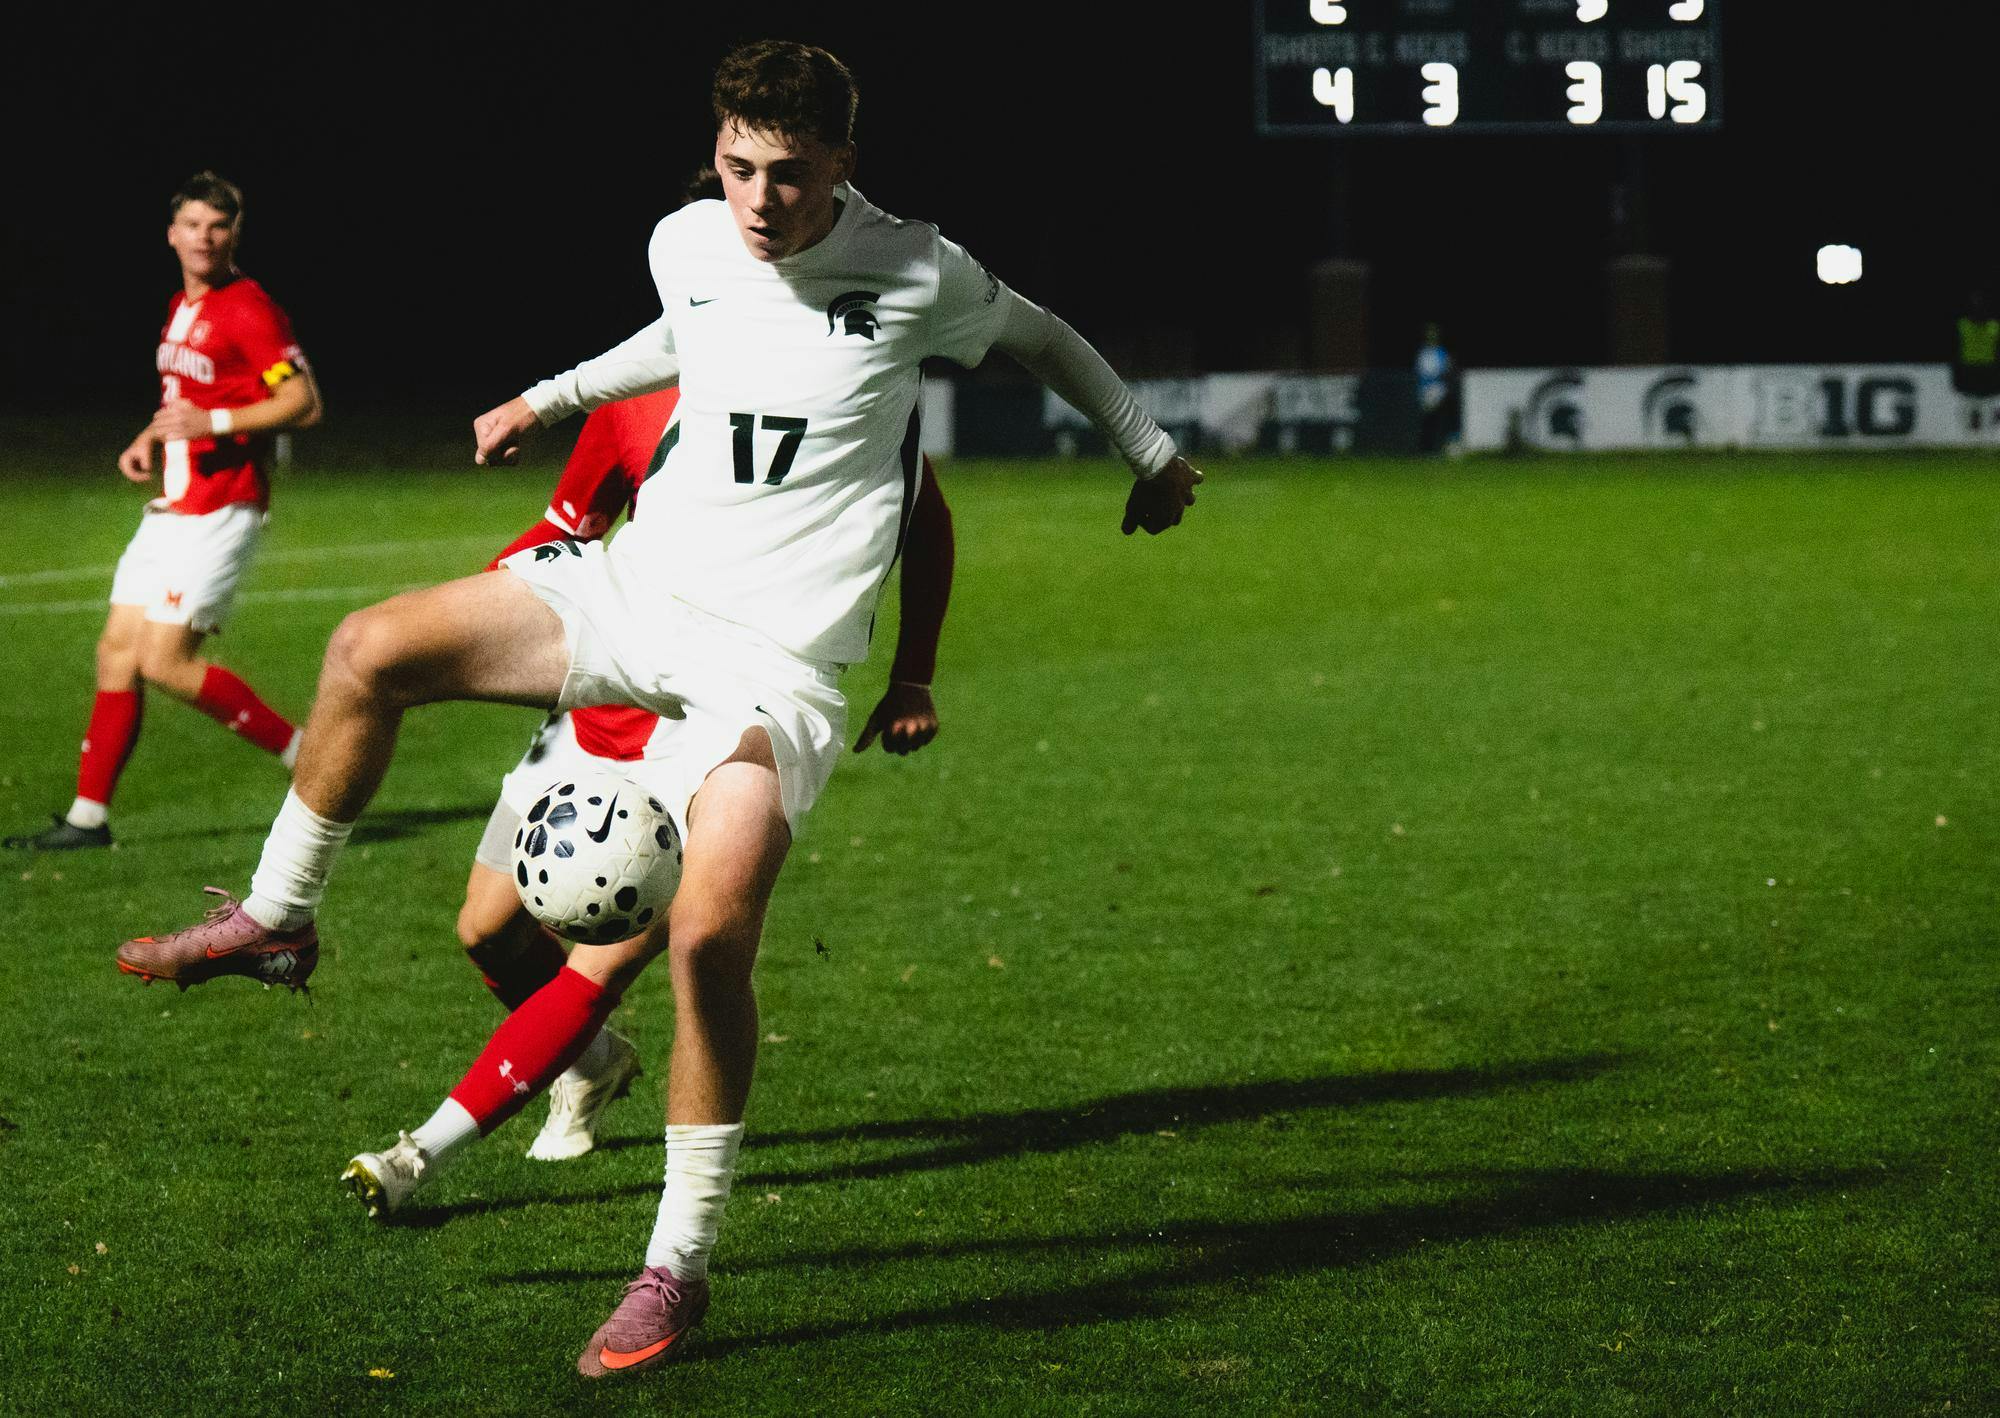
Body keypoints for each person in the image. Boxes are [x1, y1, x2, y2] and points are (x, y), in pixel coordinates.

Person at [116, 39, 1201, 1377]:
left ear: (843, 167)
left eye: (791, 176)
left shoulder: (918, 267)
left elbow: (1048, 339)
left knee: (708, 933)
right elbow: (682, 330)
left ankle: (674, 1266)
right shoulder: (690, 237)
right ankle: (278, 917)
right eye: (739, 167)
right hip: (636, 593)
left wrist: (1148, 453)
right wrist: (547, 397)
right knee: (366, 648)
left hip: (776, 668)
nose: (760, 200)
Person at [410, 388, 954, 1166]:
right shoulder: (635, 405)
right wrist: (460, 623)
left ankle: (419, 1156)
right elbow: (569, 531)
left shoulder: (827, 399)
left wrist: (914, 676)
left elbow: (925, 519)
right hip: (594, 710)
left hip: (703, 729)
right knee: (488, 930)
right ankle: (594, 1063)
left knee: (602, 960)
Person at [8, 172, 320, 852]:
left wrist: (212, 420)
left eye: (218, 226)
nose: (204, 238)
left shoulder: (248, 308)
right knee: (116, 653)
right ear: (172, 233)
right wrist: (150, 437)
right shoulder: (184, 305)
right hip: (173, 506)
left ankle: (310, 759)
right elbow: (184, 393)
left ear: (234, 235)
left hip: (220, 507)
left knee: (165, 661)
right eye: (193, 225)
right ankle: (88, 819)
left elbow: (302, 402)